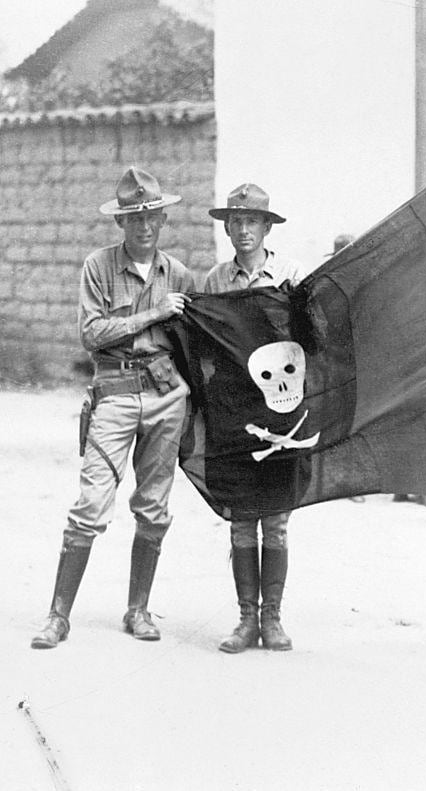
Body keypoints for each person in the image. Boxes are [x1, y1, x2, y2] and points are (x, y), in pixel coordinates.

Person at [31, 167, 195, 649]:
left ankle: (138, 609)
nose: (144, 226)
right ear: (120, 223)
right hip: (116, 393)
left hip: (167, 396)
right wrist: (155, 313)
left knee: (154, 507)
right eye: (134, 218)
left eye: (152, 217)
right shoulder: (98, 267)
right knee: (90, 505)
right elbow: (91, 333)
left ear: (163, 219)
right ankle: (58, 616)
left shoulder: (179, 274)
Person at [202, 183, 304, 652]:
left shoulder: (290, 277)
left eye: (252, 221)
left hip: (279, 409)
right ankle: (246, 619)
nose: (243, 229)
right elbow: (203, 349)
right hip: (234, 411)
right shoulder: (214, 282)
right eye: (236, 221)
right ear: (227, 227)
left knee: (277, 521)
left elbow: (307, 342)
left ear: (267, 227)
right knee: (242, 518)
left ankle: (273, 619)